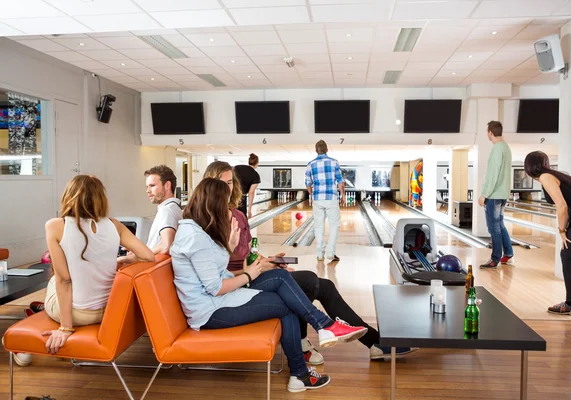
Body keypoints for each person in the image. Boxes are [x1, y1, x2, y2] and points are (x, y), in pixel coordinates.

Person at [202, 160, 414, 363]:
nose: (226, 188)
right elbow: (218, 275)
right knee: (310, 281)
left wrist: (269, 261)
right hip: (236, 286)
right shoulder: (208, 220)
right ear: (209, 185)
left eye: (229, 182)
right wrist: (255, 270)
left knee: (325, 285)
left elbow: (248, 255)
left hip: (254, 275)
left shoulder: (238, 215)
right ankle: (305, 342)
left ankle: (374, 343)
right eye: (221, 182)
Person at [170, 178, 368, 393]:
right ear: (213, 205)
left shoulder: (198, 232)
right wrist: (248, 274)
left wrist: (235, 249)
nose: (227, 209)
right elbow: (215, 288)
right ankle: (310, 355)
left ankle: (322, 333)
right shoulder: (194, 237)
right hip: (209, 311)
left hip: (219, 299)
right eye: (224, 203)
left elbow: (216, 274)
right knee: (287, 306)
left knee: (279, 277)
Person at [6, 175, 154, 367]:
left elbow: (64, 280)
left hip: (77, 315)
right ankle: (42, 309)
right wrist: (124, 259)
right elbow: (149, 256)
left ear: (69, 196)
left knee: (54, 279)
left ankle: (39, 316)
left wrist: (66, 328)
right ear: (101, 198)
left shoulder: (56, 226)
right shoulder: (114, 225)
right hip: (107, 311)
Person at [524, 151, 571, 315]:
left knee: (568, 257)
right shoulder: (552, 175)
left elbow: (562, 206)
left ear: (529, 166)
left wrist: (562, 231)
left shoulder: (545, 177)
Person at [117, 165, 182, 264]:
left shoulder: (167, 210)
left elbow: (166, 246)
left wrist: (141, 254)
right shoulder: (174, 208)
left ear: (167, 185)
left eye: (152, 186)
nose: (148, 191)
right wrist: (139, 250)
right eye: (147, 187)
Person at [477, 121, 514, 269]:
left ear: (490, 133)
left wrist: (484, 194)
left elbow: (492, 174)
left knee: (493, 227)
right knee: (500, 224)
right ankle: (509, 253)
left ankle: (495, 258)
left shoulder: (497, 149)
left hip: (493, 194)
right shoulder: (506, 148)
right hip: (503, 193)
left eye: (487, 132)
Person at [305, 140, 343, 262]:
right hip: (331, 198)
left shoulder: (310, 164)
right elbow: (340, 182)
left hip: (317, 199)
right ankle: (331, 253)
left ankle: (320, 254)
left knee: (318, 226)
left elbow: (308, 183)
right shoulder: (334, 162)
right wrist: (342, 195)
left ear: (316, 151)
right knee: (334, 225)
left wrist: (312, 196)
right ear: (327, 150)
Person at [234, 153, 261, 219]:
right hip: (241, 199)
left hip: (231, 197)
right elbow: (251, 193)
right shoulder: (256, 175)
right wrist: (249, 210)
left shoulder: (236, 167)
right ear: (257, 163)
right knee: (242, 221)